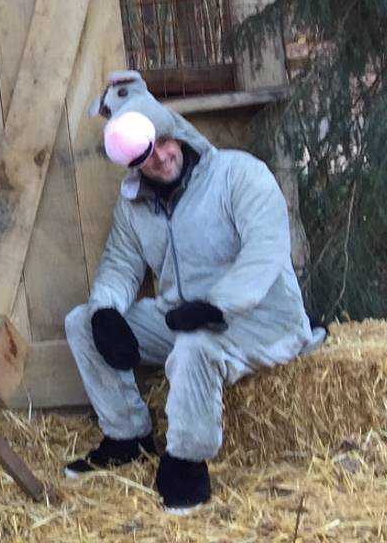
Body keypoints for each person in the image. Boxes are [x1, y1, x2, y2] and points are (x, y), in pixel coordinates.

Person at [63, 72, 324, 513]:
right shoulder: (135, 209)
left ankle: (187, 463)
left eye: (166, 142)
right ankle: (128, 435)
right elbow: (121, 266)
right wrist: (105, 310)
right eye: (147, 156)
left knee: (193, 350)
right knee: (82, 322)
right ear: (133, 163)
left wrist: (217, 305)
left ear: (177, 133)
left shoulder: (238, 174)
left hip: (260, 316)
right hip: (180, 315)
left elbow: (266, 248)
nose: (163, 159)